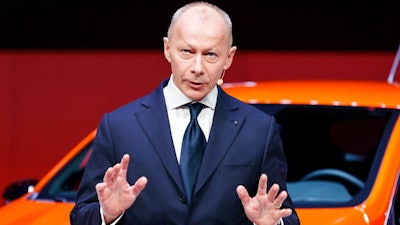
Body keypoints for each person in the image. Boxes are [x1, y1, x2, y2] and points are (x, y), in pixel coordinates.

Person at [70, 2, 300, 225]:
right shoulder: (119, 126)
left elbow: (284, 214)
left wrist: (270, 224)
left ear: (229, 57)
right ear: (167, 49)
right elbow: (81, 215)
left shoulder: (258, 129)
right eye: (187, 51)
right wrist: (107, 215)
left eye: (210, 55)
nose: (197, 68)